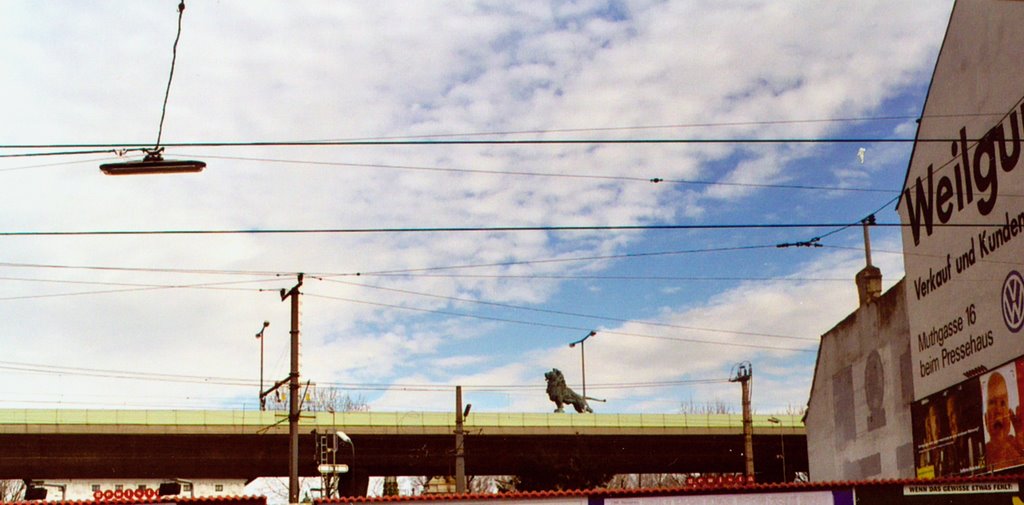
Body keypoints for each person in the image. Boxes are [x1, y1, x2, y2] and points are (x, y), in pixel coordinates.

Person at [984, 371, 1024, 470]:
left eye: (1003, 403)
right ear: (985, 419)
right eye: (992, 403)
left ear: (1009, 415)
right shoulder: (984, 452)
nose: (998, 410)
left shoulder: (1016, 444)